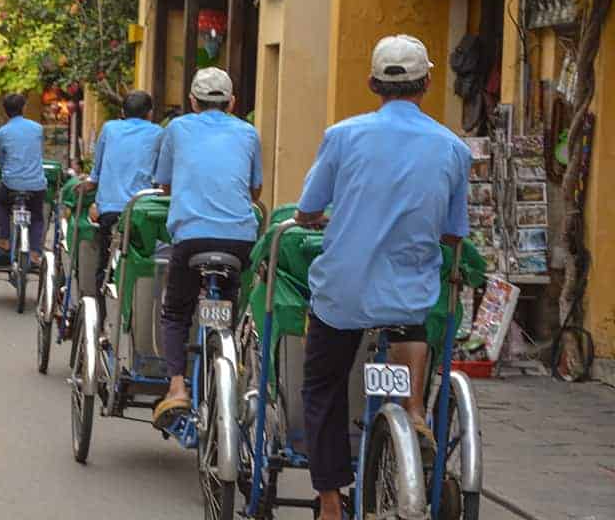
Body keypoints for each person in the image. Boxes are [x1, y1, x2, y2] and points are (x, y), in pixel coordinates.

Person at [293, 35, 470, 520]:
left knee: (323, 387)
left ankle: (330, 501)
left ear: (372, 83)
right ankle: (413, 410)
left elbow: (308, 209)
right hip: (407, 297)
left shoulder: (344, 136)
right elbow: (454, 236)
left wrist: (320, 219)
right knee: (412, 309)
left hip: (343, 295)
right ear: (428, 83)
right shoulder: (453, 149)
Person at [151, 68, 263, 429]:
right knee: (230, 302)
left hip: (192, 238)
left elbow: (163, 184)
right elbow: (254, 190)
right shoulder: (248, 132)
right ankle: (231, 355)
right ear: (232, 103)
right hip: (239, 239)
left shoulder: (178, 129)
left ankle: (177, 387)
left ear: (192, 102)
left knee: (177, 311)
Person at [78, 91, 163, 310]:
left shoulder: (109, 129)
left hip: (111, 210)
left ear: (122, 112)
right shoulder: (158, 133)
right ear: (150, 113)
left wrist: (91, 186)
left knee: (103, 264)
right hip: (142, 211)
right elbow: (162, 175)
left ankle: (100, 315)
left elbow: (96, 172)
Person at [0, 93, 47, 268]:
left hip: (11, 184)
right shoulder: (38, 129)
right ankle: (34, 252)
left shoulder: (1, 133)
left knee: (0, 203)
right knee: (37, 216)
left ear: (5, 112)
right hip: (36, 184)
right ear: (24, 108)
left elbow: (1, 158)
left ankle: (4, 239)